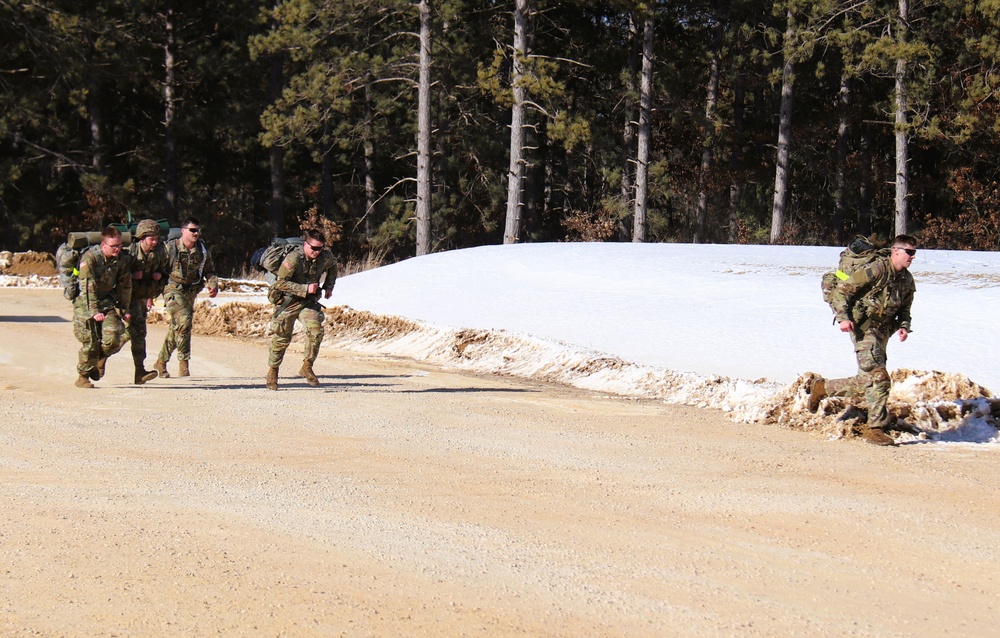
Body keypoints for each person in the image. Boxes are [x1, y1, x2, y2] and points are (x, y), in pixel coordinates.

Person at [809, 234, 918, 446]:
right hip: (863, 327)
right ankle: (875, 428)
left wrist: (904, 326)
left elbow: (905, 308)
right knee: (878, 377)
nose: (912, 257)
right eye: (909, 252)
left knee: (867, 380)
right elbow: (843, 290)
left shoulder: (906, 279)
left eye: (914, 253)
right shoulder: (876, 269)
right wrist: (842, 318)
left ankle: (824, 388)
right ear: (896, 250)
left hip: (883, 331)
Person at [265, 229, 337, 390]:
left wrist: (329, 286)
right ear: (305, 244)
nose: (316, 252)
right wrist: (305, 288)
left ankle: (307, 366)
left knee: (316, 331)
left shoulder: (324, 256)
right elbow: (280, 283)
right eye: (313, 248)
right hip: (287, 301)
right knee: (282, 338)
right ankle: (273, 370)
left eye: (320, 248)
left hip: (307, 302)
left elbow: (333, 265)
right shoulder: (294, 258)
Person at [154, 216, 218, 378]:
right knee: (184, 321)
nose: (196, 233)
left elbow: (209, 270)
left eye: (198, 230)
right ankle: (184, 363)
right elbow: (156, 268)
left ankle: (161, 361)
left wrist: (213, 284)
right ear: (183, 231)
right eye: (192, 230)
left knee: (179, 326)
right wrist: (151, 292)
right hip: (172, 289)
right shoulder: (170, 248)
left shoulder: (202, 251)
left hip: (190, 291)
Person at [72, 226, 132, 388]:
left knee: (114, 338)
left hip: (106, 302)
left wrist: (124, 309)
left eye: (119, 245)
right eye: (113, 246)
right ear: (103, 245)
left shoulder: (121, 259)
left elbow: (124, 285)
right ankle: (83, 376)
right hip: (86, 304)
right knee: (90, 342)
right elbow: (87, 287)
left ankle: (100, 358)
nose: (117, 249)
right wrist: (93, 311)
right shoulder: (90, 258)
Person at [126, 219, 169, 384]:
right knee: (120, 336)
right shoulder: (129, 253)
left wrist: (157, 278)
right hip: (124, 299)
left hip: (140, 298)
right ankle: (99, 358)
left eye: (156, 238)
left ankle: (140, 371)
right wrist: (131, 276)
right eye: (151, 238)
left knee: (140, 334)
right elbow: (116, 276)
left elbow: (162, 271)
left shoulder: (158, 253)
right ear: (141, 238)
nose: (155, 242)